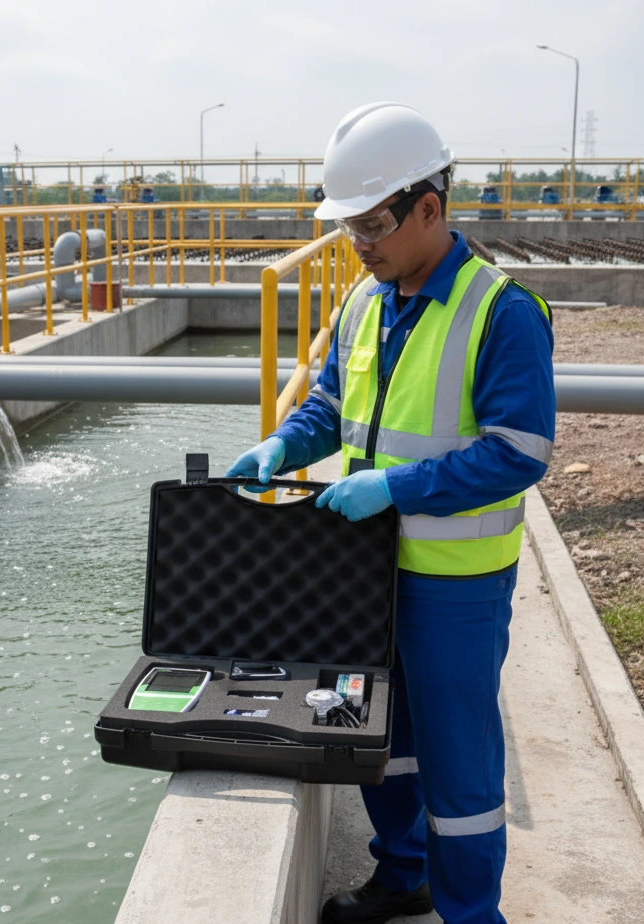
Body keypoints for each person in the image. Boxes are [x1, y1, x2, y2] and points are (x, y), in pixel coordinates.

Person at [227, 102, 555, 924]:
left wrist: (396, 488)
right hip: (366, 569)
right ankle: (403, 872)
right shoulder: (362, 308)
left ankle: (472, 913)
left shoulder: (502, 313)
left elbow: (519, 454)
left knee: (460, 768)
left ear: (430, 209)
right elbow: (329, 411)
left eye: (371, 223)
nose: (358, 243)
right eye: (347, 227)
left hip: (456, 584)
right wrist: (280, 446)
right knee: (386, 739)